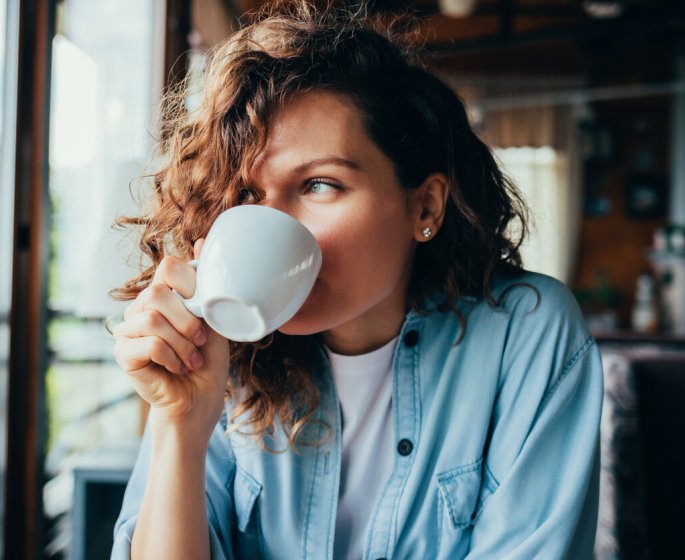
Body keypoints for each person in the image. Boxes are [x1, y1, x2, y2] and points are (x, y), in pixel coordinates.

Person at [110, 2, 603, 559]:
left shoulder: (525, 333)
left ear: (426, 206)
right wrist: (180, 424)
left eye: (320, 184)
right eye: (248, 195)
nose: (270, 223)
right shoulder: (219, 356)